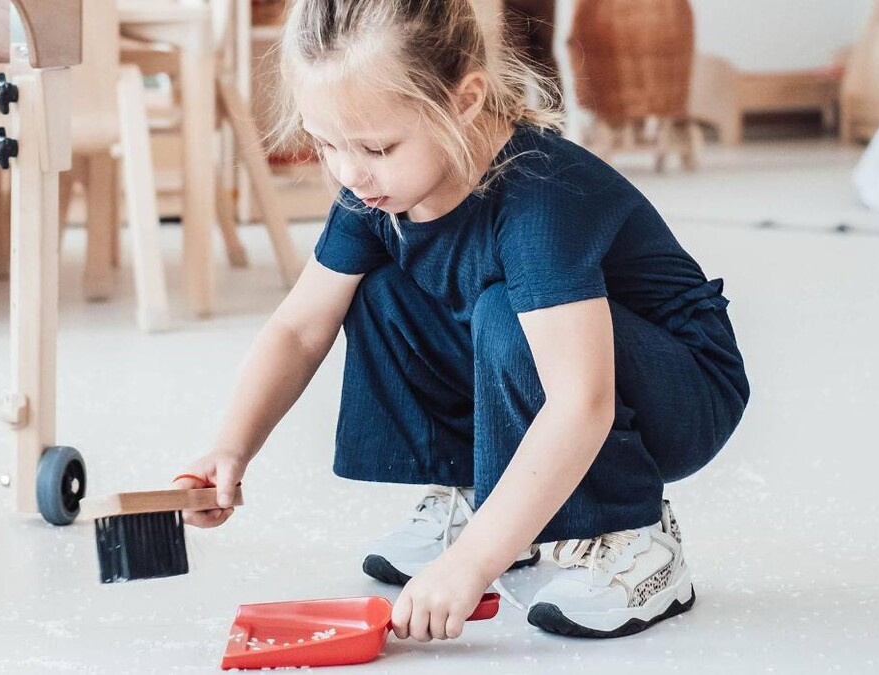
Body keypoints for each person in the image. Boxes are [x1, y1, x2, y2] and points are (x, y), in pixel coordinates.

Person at [174, 0, 749, 642]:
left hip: (680, 390)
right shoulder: (377, 192)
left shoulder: (540, 199)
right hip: (566, 374)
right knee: (377, 289)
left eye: (377, 146)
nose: (349, 172)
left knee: (507, 311)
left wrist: (475, 560)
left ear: (465, 100)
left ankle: (633, 537)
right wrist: (231, 447)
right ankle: (478, 492)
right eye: (325, 143)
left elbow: (581, 402)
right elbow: (300, 327)